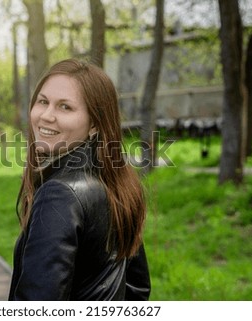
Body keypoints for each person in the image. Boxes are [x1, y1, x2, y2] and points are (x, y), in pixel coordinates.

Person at [9, 58, 150, 301]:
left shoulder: (60, 195)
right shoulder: (117, 183)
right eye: (43, 102)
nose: (46, 116)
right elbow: (138, 290)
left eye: (65, 107)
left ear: (94, 124)